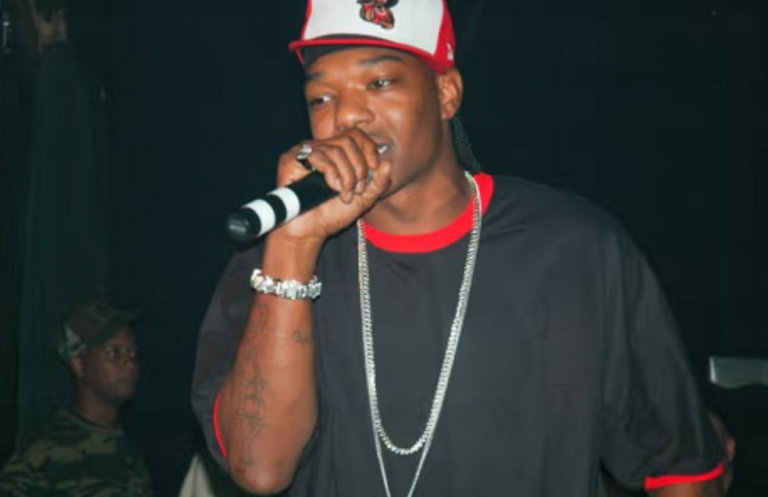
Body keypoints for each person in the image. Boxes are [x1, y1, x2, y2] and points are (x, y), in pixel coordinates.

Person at [191, 1, 726, 495]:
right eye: (321, 97)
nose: (347, 117)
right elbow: (260, 470)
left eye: (379, 82)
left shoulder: (574, 248)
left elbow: (684, 470)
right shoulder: (277, 256)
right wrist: (293, 248)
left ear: (446, 94)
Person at [0, 300, 154, 496]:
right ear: (79, 364)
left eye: (132, 353)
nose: (130, 364)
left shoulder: (130, 452)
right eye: (114, 353)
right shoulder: (42, 456)